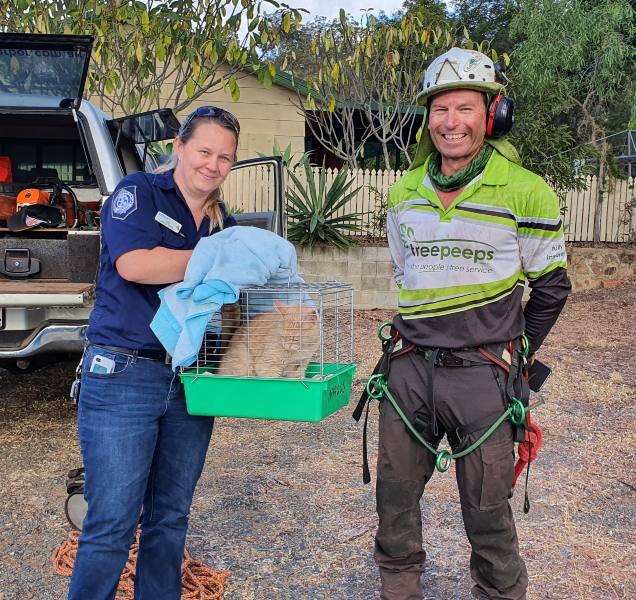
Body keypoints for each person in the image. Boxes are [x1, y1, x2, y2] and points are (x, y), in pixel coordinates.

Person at [373, 48, 572, 600]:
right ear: (427, 118)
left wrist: (516, 353)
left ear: (493, 114)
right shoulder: (403, 191)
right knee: (393, 499)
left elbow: (552, 287)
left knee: (487, 510)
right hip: (408, 369)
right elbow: (405, 272)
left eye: (465, 107)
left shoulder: (527, 189)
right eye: (440, 109)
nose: (450, 121)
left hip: (483, 375)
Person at [68, 106, 240, 600]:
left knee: (170, 517)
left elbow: (224, 297)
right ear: (180, 148)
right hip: (124, 372)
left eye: (224, 157)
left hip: (188, 379)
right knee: (112, 522)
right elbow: (135, 264)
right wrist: (217, 260)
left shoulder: (217, 219)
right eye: (204, 151)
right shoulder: (138, 192)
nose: (212, 164)